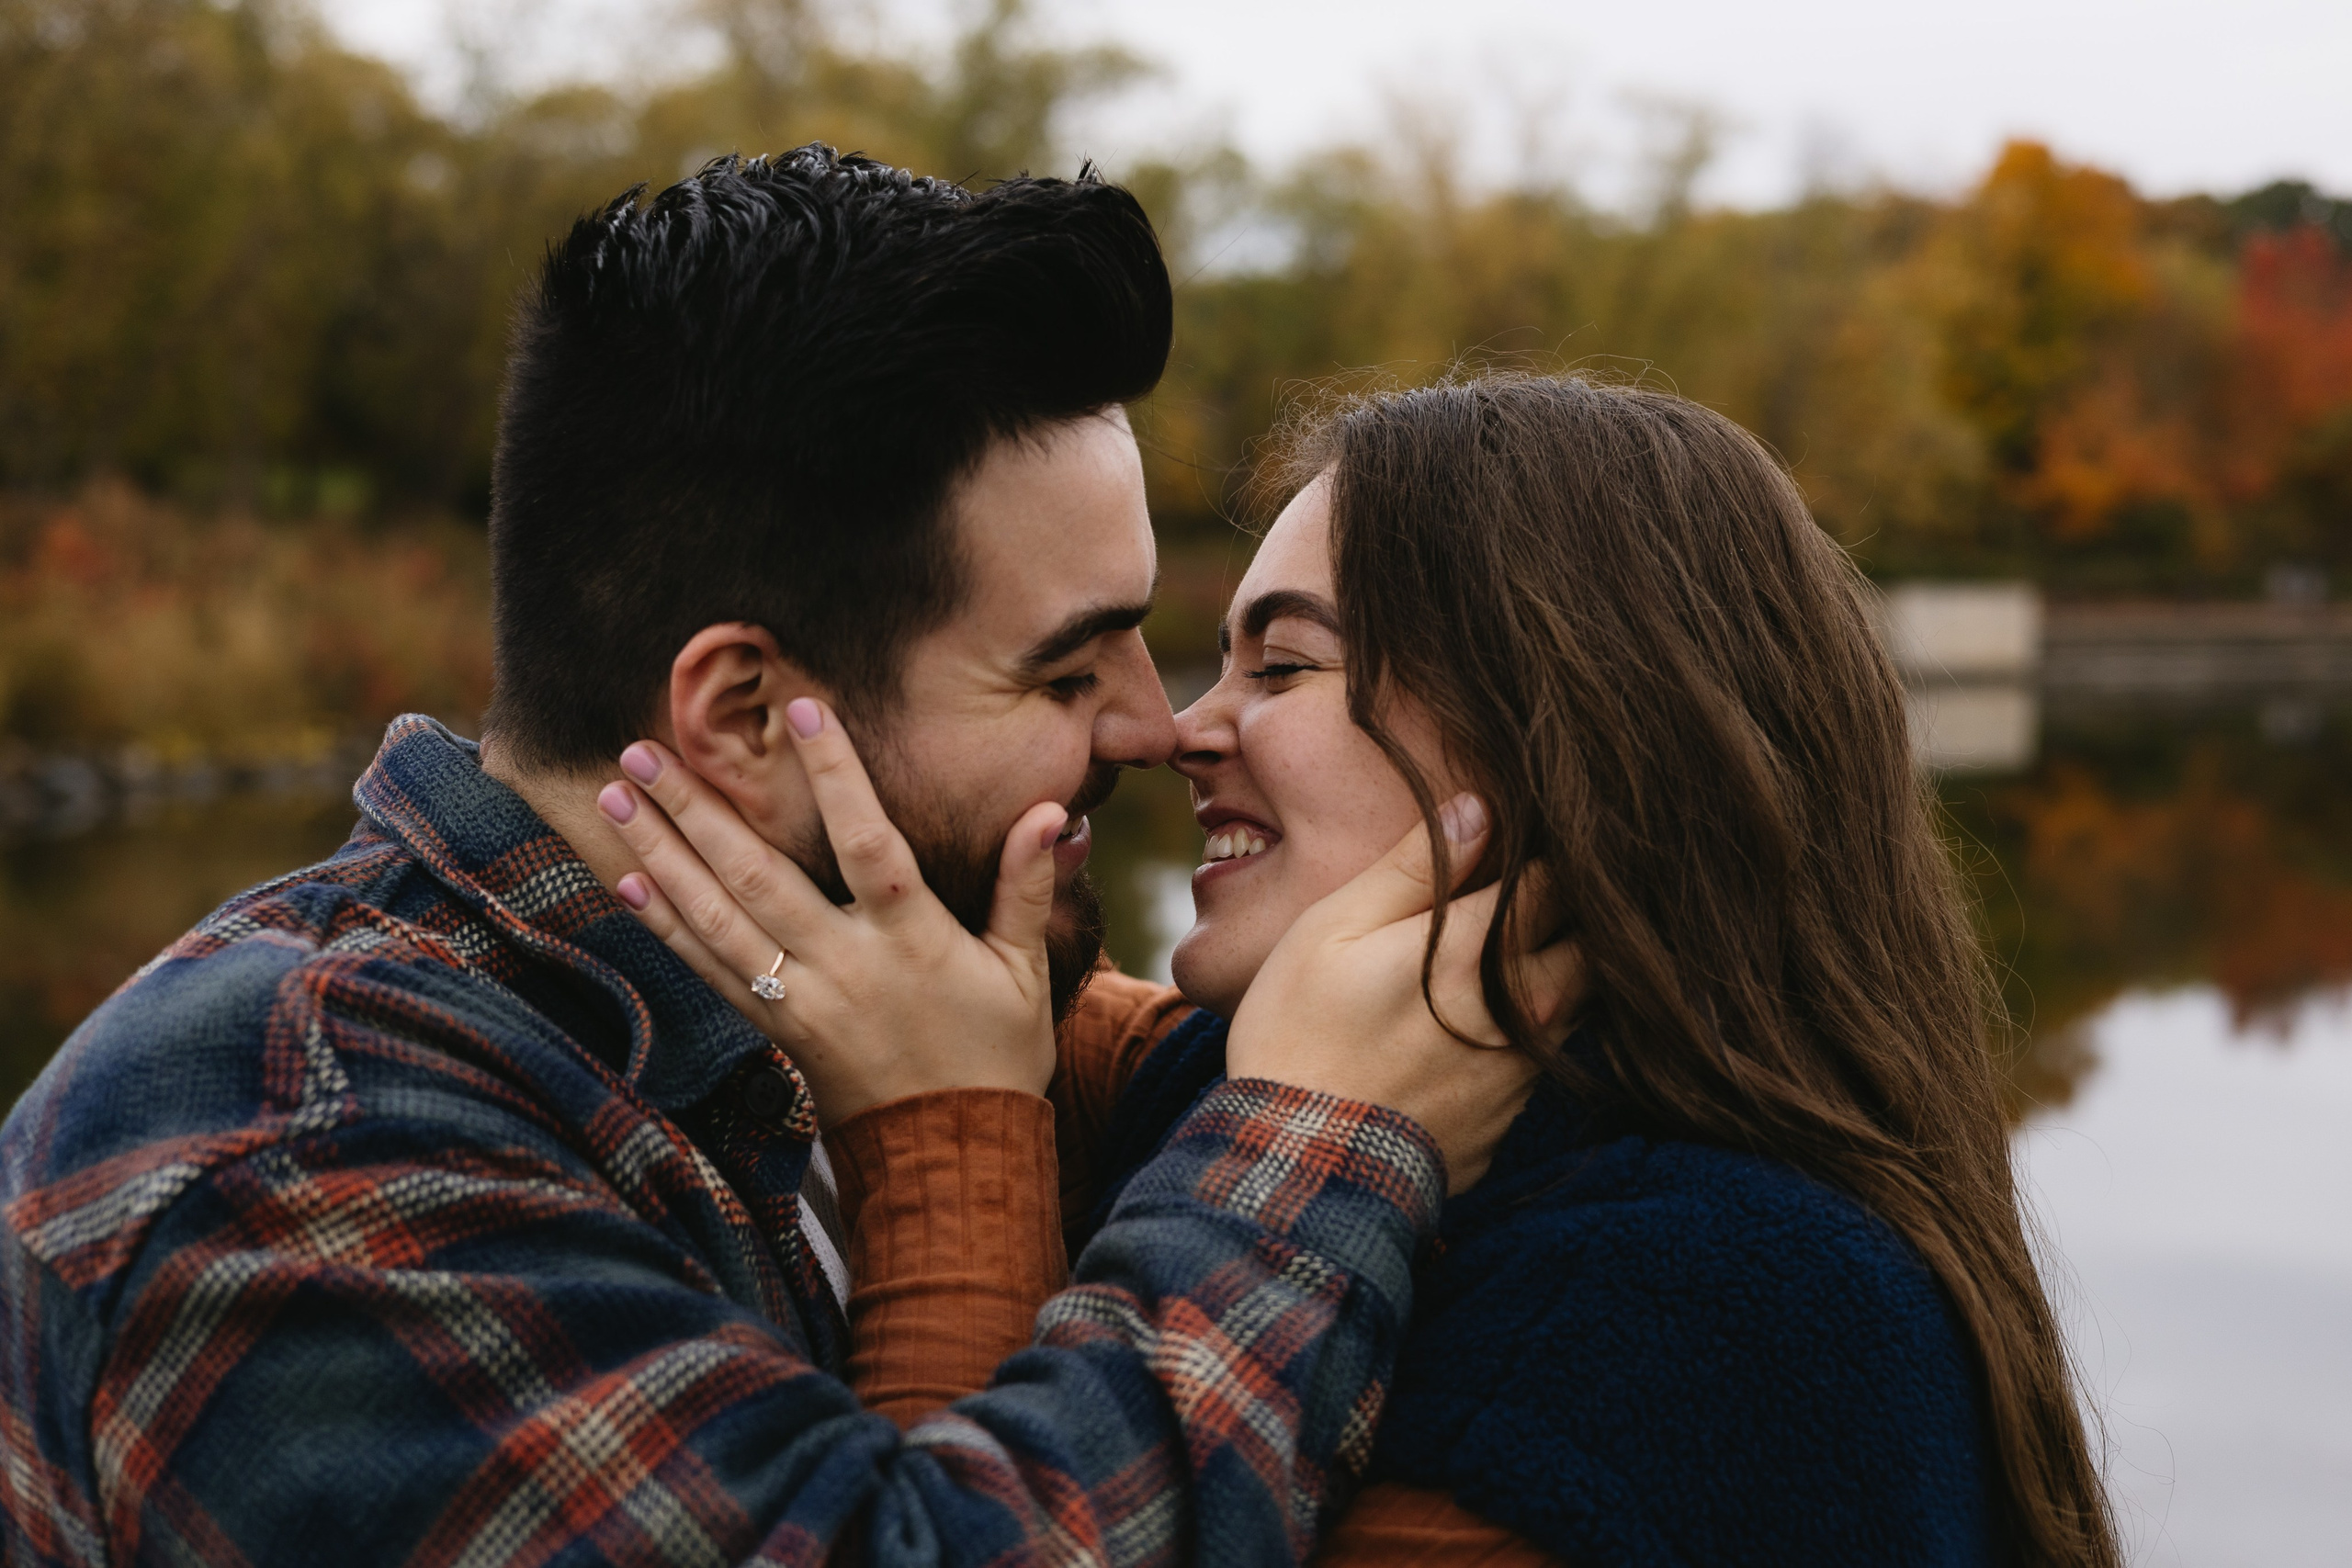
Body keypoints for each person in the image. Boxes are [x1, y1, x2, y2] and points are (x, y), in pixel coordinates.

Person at [0, 149, 1553, 1566]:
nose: (1155, 728)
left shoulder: (764, 1010)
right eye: (1068, 672)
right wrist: (1314, 1144)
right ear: (747, 715)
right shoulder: (284, 1158)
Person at [621, 374, 2123, 1567]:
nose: (1183, 729)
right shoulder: (1245, 1075)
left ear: (1568, 738)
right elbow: (981, 1006)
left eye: (1281, 666)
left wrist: (946, 1148)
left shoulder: (1723, 1309)